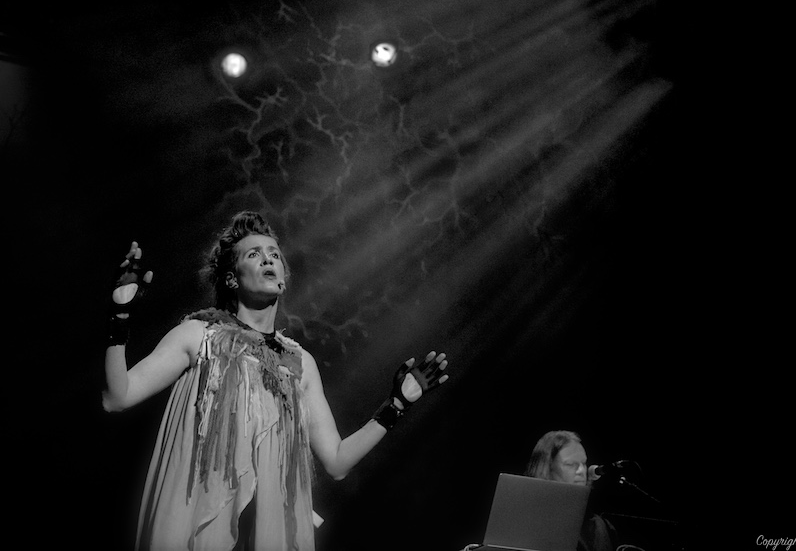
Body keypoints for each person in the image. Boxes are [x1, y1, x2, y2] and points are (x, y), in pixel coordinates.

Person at [102, 211, 449, 550]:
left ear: (283, 276)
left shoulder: (299, 364)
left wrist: (397, 406)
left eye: (274, 255)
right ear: (232, 278)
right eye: (254, 254)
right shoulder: (199, 336)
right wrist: (120, 318)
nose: (268, 260)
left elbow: (337, 461)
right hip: (199, 526)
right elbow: (117, 397)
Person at [460, 430, 619, 551]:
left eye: (583, 463)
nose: (581, 471)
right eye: (571, 465)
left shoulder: (598, 525)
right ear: (547, 468)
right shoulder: (520, 517)